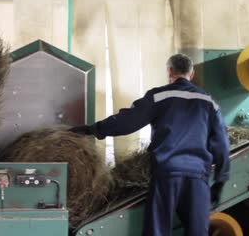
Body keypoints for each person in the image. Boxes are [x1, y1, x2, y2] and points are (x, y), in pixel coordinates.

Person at [69, 54, 230, 236]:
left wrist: (94, 130)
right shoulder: (209, 102)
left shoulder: (159, 96)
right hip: (197, 177)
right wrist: (221, 178)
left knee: (157, 231)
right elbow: (221, 143)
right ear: (191, 74)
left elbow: (127, 122)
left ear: (169, 71)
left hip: (167, 175)